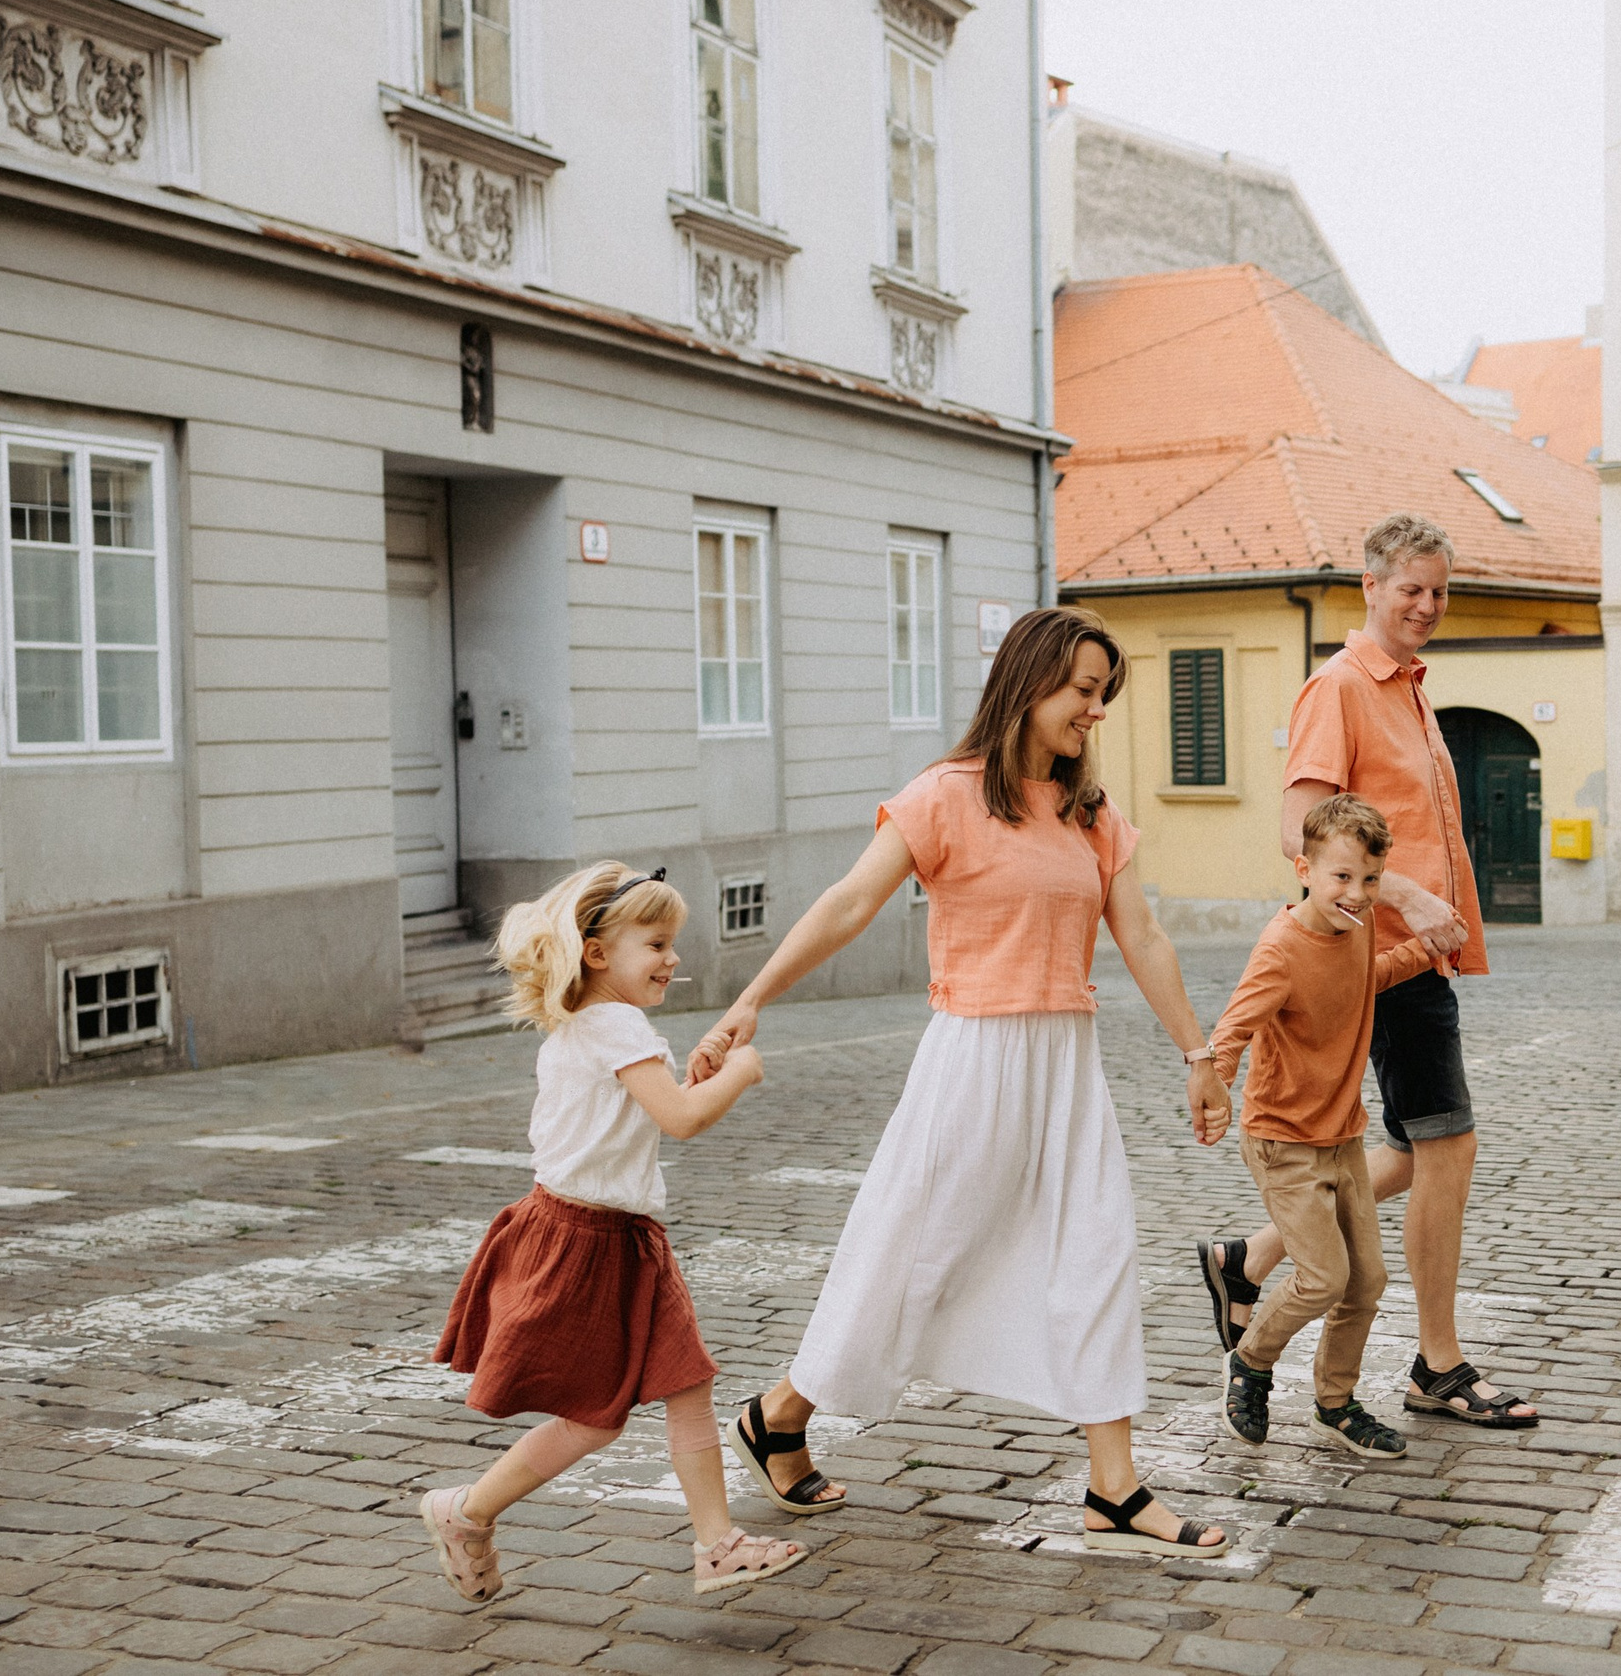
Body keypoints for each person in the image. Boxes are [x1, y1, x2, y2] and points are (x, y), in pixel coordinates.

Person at [685, 606, 1236, 1557]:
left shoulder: (1091, 815)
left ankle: (1115, 1484)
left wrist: (1200, 1054)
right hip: (973, 1056)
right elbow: (850, 901)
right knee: (913, 1250)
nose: (1095, 712)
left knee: (1096, 1249)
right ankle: (779, 1413)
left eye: (1104, 695)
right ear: (1029, 682)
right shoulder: (943, 796)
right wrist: (751, 998)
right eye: (1083, 690)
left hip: (1067, 1060)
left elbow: (1138, 935)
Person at [1197, 513, 1540, 1428]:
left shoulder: (1412, 691)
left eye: (1437, 591)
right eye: (1410, 589)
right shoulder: (1341, 687)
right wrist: (1411, 903)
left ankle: (1250, 1257)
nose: (1426, 605)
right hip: (1373, 955)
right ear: (1371, 588)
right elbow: (1300, 832)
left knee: (1408, 1145)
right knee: (1445, 1143)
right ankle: (1437, 1363)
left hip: (1411, 958)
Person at [423, 861, 806, 1605]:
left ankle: (717, 1546)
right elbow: (683, 1119)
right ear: (598, 953)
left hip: (609, 1234)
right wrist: (743, 1071)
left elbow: (653, 1107)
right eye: (656, 944)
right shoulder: (618, 1025)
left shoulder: (587, 1026)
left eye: (673, 944)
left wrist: (696, 1073)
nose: (673, 959)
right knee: (594, 1418)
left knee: (684, 1383)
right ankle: (465, 1511)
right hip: (588, 1241)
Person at [1208, 793, 1435, 1458]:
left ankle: (1335, 1403)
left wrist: (1429, 948)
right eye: (1341, 877)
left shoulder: (1357, 930)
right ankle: (1251, 1361)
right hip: (1284, 1143)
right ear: (1304, 867)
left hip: (1343, 1138)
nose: (1358, 894)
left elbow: (1369, 978)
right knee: (1323, 1277)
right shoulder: (1282, 947)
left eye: (1369, 879)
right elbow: (1234, 1029)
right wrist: (1213, 1089)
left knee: (1366, 1281)